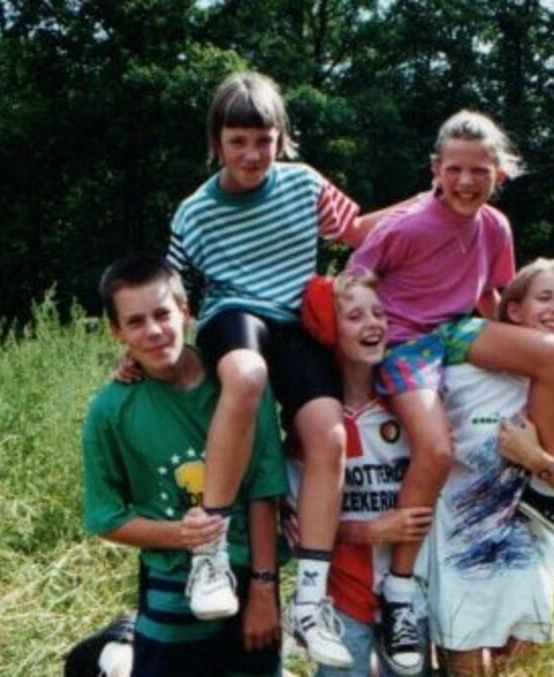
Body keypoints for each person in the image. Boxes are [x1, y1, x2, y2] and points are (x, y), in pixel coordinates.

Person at [161, 70, 394, 668]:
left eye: (263, 140)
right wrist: (139, 353)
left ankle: (312, 601)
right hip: (233, 315)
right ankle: (209, 550)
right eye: (238, 142)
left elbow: (358, 228)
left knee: (329, 432)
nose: (252, 154)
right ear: (216, 143)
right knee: (244, 377)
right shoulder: (195, 211)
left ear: (281, 138)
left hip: (295, 321)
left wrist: (433, 201)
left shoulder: (303, 184)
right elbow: (173, 291)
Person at [347, 110, 554, 672]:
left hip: (456, 332)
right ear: (435, 169)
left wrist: (524, 356)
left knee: (551, 355)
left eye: (479, 170)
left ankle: (542, 486)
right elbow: (354, 277)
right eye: (454, 169)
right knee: (435, 449)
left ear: (498, 174)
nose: (465, 181)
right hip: (406, 341)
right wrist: (358, 350)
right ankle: (401, 592)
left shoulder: (494, 228)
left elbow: (493, 298)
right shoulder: (406, 227)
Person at [82, 254, 285, 676]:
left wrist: (265, 590)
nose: (154, 331)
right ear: (116, 332)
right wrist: (181, 534)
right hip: (170, 590)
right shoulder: (111, 411)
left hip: (250, 578)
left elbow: (264, 491)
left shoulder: (240, 385)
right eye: (135, 322)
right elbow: (106, 517)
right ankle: (112, 652)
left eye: (162, 314)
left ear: (186, 311)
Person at [423, 257, 554, 675]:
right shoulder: (460, 375)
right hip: (458, 554)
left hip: (530, 556)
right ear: (512, 311)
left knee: (516, 663)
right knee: (463, 665)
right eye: (544, 297)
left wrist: (538, 461)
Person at [283, 273, 433, 677]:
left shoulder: (414, 411)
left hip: (410, 598)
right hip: (341, 601)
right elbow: (302, 530)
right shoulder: (312, 427)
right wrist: (367, 532)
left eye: (379, 313)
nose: (374, 324)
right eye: (355, 316)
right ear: (329, 329)